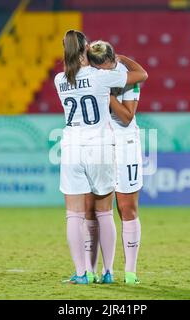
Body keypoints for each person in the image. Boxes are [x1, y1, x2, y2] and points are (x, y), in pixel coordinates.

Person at [54, 30, 148, 284]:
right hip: (100, 146)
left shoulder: (59, 79)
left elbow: (127, 115)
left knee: (75, 215)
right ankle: (108, 271)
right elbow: (141, 75)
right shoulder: (101, 77)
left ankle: (82, 272)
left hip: (72, 147)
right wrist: (119, 61)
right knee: (103, 213)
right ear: (86, 51)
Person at [85, 40, 144, 285]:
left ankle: (130, 272)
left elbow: (128, 118)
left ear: (113, 60)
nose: (104, 72)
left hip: (125, 143)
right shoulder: (88, 75)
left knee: (126, 208)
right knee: (91, 208)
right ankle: (90, 270)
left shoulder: (126, 77)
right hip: (97, 143)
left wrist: (108, 96)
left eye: (107, 67)